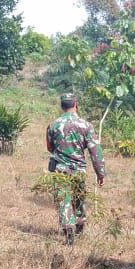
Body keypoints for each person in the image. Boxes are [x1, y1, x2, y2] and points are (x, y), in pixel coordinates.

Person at [46, 93, 105, 246]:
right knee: (79, 199)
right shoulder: (86, 126)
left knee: (63, 201)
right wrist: (101, 173)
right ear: (76, 104)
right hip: (79, 170)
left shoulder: (53, 125)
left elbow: (50, 147)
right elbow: (95, 151)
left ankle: (68, 234)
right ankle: (79, 227)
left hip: (60, 169)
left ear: (61, 106)